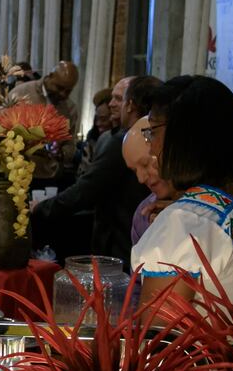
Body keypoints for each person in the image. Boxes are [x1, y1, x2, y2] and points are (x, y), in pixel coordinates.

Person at [132, 76, 233, 323]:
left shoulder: (182, 223)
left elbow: (158, 343)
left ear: (182, 138)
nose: (152, 149)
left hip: (205, 361)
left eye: (152, 132)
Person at [31, 75, 152, 265]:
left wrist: (40, 209)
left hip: (120, 244)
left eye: (119, 99)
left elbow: (86, 189)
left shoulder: (121, 142)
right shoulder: (124, 137)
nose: (111, 104)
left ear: (131, 105)